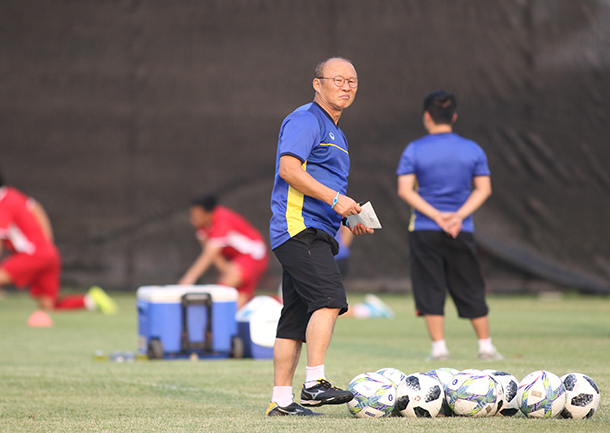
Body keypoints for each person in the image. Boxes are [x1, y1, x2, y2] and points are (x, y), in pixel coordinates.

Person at [266, 57, 373, 417]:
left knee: (294, 320)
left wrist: (348, 217)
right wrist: (334, 199)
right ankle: (314, 383)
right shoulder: (306, 119)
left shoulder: (337, 133)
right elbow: (288, 169)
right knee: (330, 299)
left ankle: (281, 402)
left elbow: (323, 184)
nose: (346, 86)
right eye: (338, 79)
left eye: (352, 81)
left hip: (316, 228)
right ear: (317, 83)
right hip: (299, 228)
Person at [396, 90, 502, 361]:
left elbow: (405, 190)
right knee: (470, 283)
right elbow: (484, 189)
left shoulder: (414, 149)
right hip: (461, 229)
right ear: (454, 116)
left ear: (426, 116)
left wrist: (437, 216)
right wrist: (457, 217)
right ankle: (486, 347)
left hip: (424, 228)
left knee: (429, 285)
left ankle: (439, 349)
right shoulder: (472, 149)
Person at [0, 165, 118, 322]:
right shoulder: (14, 195)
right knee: (49, 305)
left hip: (32, 256)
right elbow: (37, 208)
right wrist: (46, 243)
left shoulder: (0, 207)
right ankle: (91, 301)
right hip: (49, 253)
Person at [178, 194, 269, 309]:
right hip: (236, 260)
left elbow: (208, 255)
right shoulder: (201, 226)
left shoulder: (222, 220)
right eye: (192, 215)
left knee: (222, 291)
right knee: (237, 300)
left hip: (253, 256)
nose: (193, 219)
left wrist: (189, 279)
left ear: (208, 213)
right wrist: (225, 269)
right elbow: (213, 254)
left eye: (197, 215)